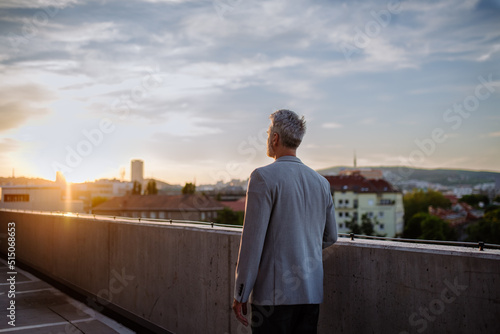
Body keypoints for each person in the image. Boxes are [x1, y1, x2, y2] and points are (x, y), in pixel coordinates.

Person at [232, 109, 338, 333]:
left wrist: (241, 293)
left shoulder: (262, 177)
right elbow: (331, 236)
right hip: (310, 295)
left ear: (275, 138)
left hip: (273, 299)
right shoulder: (322, 183)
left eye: (269, 132)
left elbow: (252, 244)